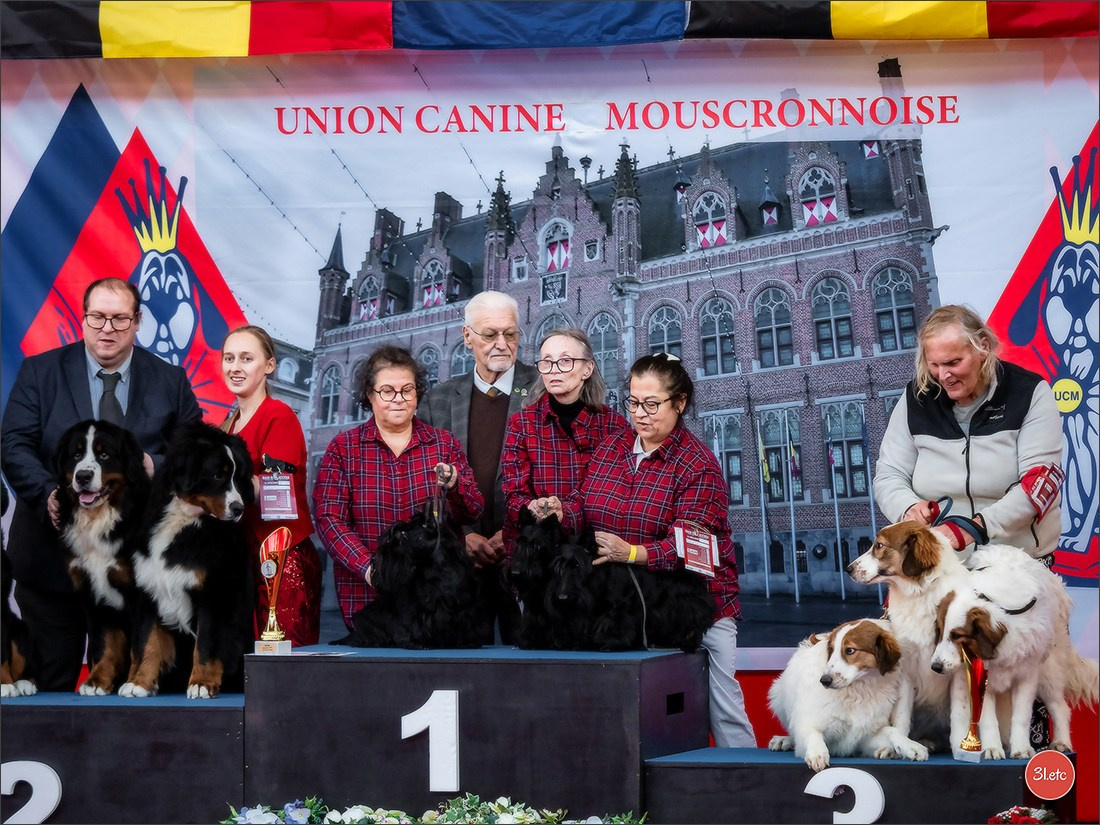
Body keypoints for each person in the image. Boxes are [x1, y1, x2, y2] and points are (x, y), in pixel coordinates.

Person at [1, 277, 202, 691]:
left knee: (127, 687)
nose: (106, 328)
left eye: (118, 318)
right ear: (83, 317)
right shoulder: (40, 372)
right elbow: (13, 443)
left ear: (137, 321)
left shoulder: (170, 380)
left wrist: (152, 465)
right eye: (97, 317)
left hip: (137, 569)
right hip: (50, 559)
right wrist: (48, 493)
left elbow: (192, 455)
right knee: (46, 682)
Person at [547, 352, 757, 748]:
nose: (639, 414)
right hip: (621, 606)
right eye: (632, 402)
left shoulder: (699, 466)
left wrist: (633, 553)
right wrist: (560, 510)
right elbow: (583, 504)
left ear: (679, 403)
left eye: (651, 404)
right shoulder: (612, 448)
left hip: (698, 606)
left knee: (723, 709)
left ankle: (744, 783)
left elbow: (693, 550)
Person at [875, 304, 1064, 564]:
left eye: (953, 363)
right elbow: (889, 474)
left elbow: (1039, 485)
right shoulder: (915, 398)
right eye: (934, 365)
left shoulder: (1029, 392)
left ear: (983, 347)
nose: (944, 375)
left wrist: (972, 528)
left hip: (1017, 563)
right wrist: (907, 507)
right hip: (941, 565)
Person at [313, 345, 484, 628]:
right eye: (387, 391)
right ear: (370, 394)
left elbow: (473, 511)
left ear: (417, 393)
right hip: (369, 597)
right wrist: (371, 568)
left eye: (407, 390)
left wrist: (455, 484)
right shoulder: (343, 449)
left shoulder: (444, 444)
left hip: (436, 603)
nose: (398, 399)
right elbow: (330, 520)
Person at [418, 291, 539, 643]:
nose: (502, 344)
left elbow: (557, 474)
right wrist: (462, 535)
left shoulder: (542, 390)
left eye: (511, 334)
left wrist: (514, 534)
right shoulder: (436, 400)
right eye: (490, 334)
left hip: (525, 560)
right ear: (467, 336)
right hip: (460, 564)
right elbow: (424, 482)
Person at [220, 325, 322, 647]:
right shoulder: (228, 423)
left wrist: (217, 486)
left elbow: (277, 492)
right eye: (229, 358)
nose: (235, 367)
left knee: (282, 663)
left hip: (281, 558)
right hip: (243, 556)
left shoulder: (279, 415)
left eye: (246, 358)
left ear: (269, 365)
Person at [500, 328, 628, 560]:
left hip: (591, 552)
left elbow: (611, 494)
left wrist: (565, 512)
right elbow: (513, 492)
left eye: (566, 361)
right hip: (536, 552)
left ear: (587, 369)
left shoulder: (613, 425)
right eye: (547, 362)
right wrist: (534, 507)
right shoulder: (522, 423)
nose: (554, 370)